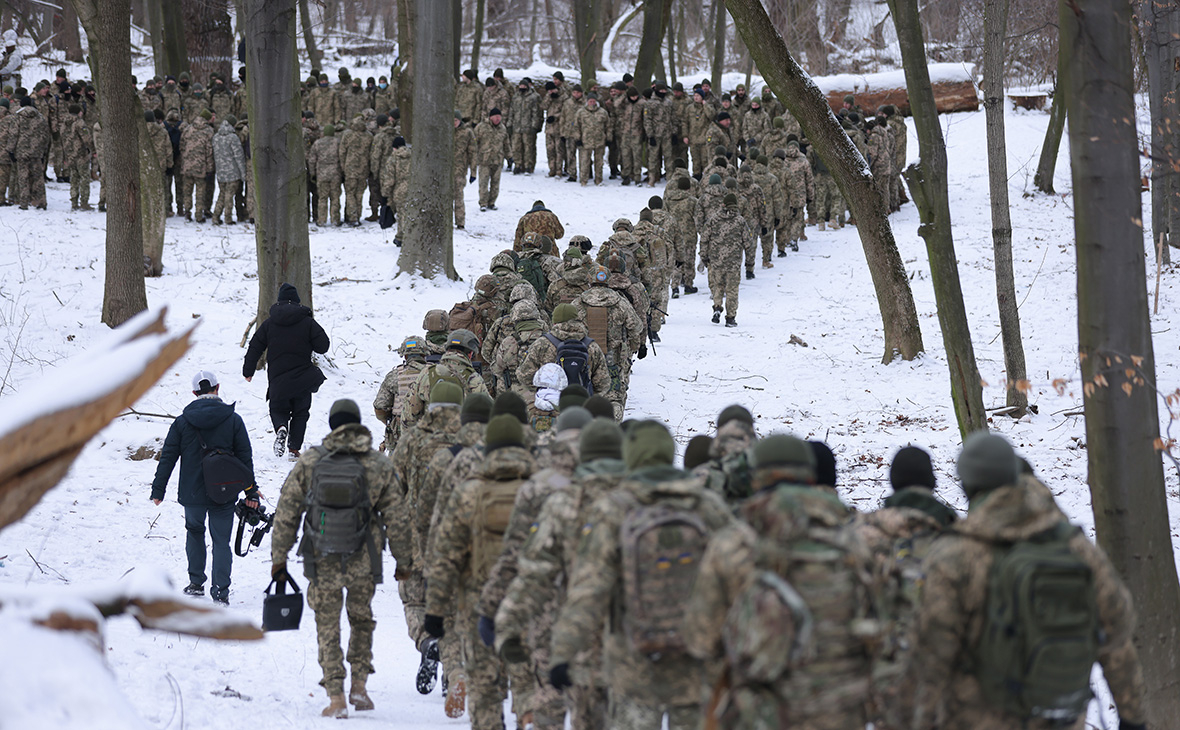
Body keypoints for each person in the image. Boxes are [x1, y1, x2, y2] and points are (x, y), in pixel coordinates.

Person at [908, 432, 1148, 730]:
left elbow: (931, 657)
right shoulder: (1074, 546)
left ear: (967, 485)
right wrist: (1133, 717)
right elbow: (1117, 635)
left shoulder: (954, 555)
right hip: (1060, 718)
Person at [548, 420, 734, 730]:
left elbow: (589, 587)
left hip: (633, 665)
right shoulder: (707, 507)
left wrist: (564, 651)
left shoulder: (613, 509)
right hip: (697, 665)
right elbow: (741, 578)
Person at [270, 399, 406, 719]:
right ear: (358, 424)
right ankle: (359, 686)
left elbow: (287, 510)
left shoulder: (310, 461)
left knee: (326, 624)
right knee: (362, 618)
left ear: (332, 425)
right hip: (364, 556)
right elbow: (398, 517)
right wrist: (405, 560)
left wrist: (279, 557)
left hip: (321, 557)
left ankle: (336, 697)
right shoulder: (378, 464)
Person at [149, 370, 258, 605]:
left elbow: (168, 456)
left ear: (194, 393)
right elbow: (245, 458)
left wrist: (159, 489)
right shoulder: (233, 420)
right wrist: (251, 491)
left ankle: (196, 583)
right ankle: (220, 590)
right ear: (217, 388)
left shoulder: (182, 422)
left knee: (194, 532)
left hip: (192, 492)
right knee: (221, 541)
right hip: (225, 491)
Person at [243, 283, 331, 458]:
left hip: (278, 379)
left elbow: (255, 346)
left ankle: (281, 427)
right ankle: (293, 448)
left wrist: (248, 370)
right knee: (301, 413)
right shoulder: (307, 323)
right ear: (297, 302)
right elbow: (323, 346)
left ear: (279, 301)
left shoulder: (269, 324)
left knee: (277, 408)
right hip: (303, 378)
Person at [474, 107, 509, 211]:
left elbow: (506, 143)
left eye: (499, 117)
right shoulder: (481, 127)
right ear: (490, 117)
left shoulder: (503, 128)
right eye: (495, 117)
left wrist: (510, 156)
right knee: (483, 183)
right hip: (484, 160)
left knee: (495, 183)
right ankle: (483, 203)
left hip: (498, 160)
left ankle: (492, 202)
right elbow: (474, 142)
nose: (498, 119)